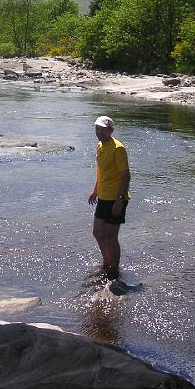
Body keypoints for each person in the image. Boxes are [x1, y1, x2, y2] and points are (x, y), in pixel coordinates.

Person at [88, 115, 130, 281]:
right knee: (98, 232)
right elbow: (101, 171)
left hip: (116, 198)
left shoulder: (118, 148)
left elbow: (126, 175)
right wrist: (95, 191)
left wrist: (120, 199)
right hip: (103, 195)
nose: (99, 132)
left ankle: (114, 268)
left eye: (102, 129)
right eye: (97, 128)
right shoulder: (100, 146)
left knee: (111, 236)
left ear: (110, 130)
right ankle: (106, 261)